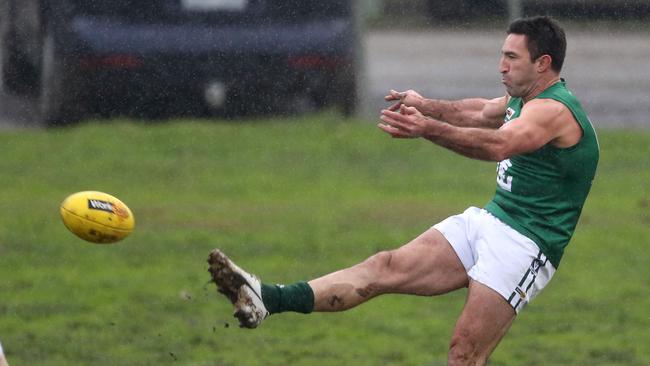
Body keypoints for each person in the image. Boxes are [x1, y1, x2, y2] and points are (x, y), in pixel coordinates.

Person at [207, 16, 599, 365]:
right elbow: (479, 113)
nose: (502, 65)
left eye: (512, 57)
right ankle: (268, 299)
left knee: (464, 352)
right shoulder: (522, 98)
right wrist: (425, 105)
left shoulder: (553, 111)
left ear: (543, 63)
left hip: (524, 245)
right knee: (384, 267)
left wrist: (425, 128)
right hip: (490, 220)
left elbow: (497, 144)